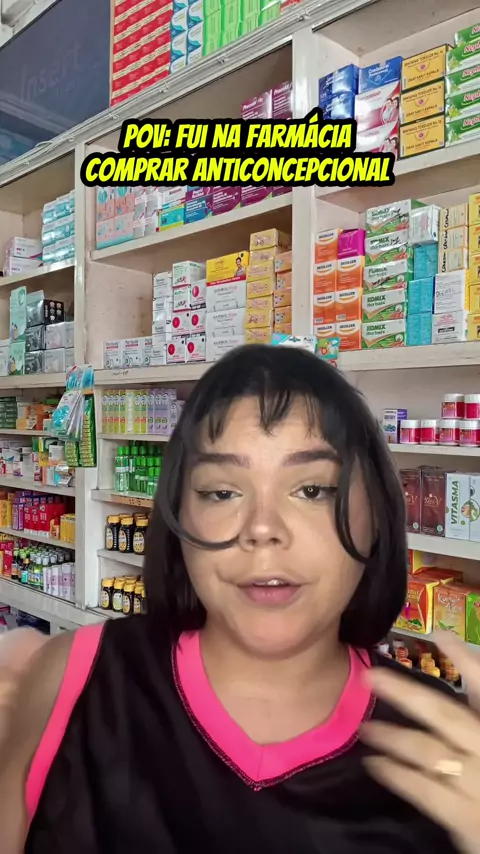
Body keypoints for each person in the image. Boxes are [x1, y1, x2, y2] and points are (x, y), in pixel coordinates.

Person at [0, 343, 479, 853]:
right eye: (222, 492)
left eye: (313, 490)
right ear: (178, 517)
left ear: (377, 514)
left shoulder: (454, 748)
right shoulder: (73, 679)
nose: (262, 528)